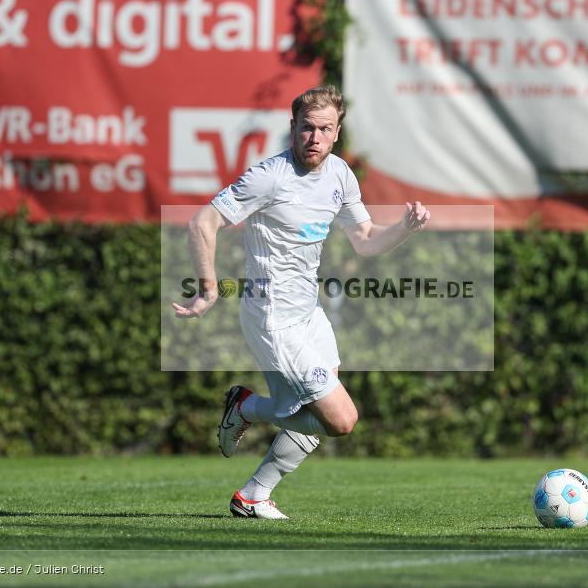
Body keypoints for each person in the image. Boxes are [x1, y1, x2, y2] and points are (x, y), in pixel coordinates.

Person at [173, 86, 429, 519]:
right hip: (272, 317)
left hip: (308, 313)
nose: (315, 137)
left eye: (325, 129)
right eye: (307, 127)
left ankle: (253, 496)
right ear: (293, 128)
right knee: (341, 420)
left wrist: (404, 227)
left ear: (337, 132)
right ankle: (246, 407)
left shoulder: (340, 175)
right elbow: (203, 223)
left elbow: (365, 241)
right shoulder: (269, 177)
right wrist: (208, 288)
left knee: (316, 412)